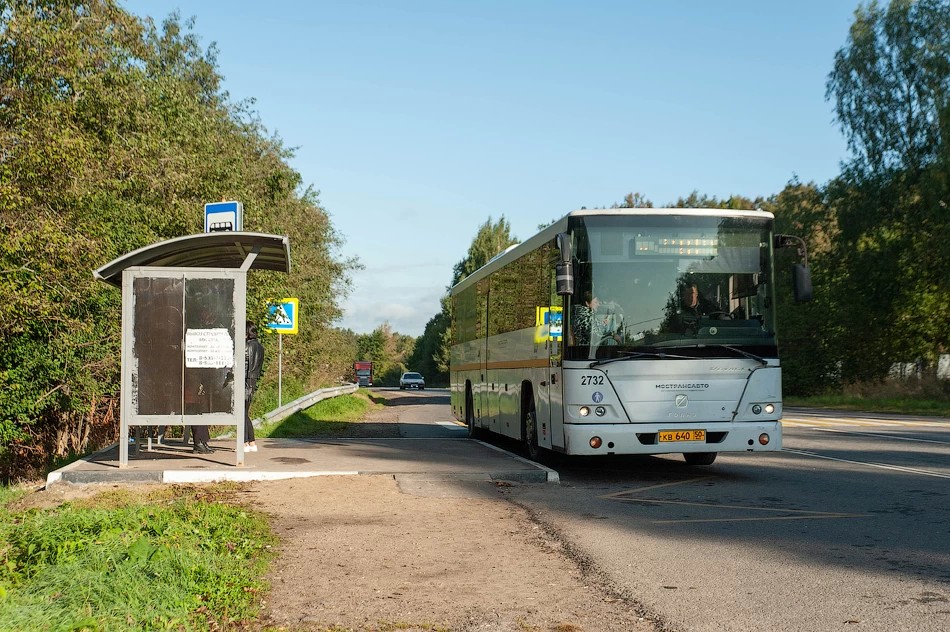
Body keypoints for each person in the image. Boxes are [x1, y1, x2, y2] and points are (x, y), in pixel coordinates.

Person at [244, 321, 265, 452]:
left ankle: (245, 443)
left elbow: (243, 365)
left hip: (244, 381)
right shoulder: (260, 347)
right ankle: (252, 442)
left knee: (241, 414)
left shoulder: (246, 347)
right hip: (253, 382)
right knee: (245, 413)